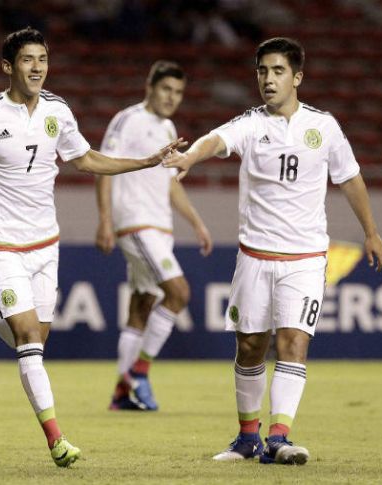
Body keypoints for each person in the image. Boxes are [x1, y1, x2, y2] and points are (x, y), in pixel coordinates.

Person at [0, 27, 185, 468]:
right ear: (8, 67)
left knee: (36, 339)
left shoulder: (58, 111)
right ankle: (57, 438)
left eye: (42, 58)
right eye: (27, 60)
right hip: (2, 244)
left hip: (46, 244)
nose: (37, 67)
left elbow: (87, 159)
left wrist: (148, 161)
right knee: (27, 341)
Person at [163, 37, 382, 465]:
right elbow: (215, 139)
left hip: (304, 259)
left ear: (297, 77)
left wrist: (371, 231)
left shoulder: (323, 127)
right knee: (250, 346)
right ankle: (248, 438)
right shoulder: (252, 124)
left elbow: (351, 178)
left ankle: (280, 437)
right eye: (262, 71)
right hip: (255, 256)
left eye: (278, 71)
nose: (268, 79)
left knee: (292, 342)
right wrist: (191, 156)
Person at [94, 60, 213, 412]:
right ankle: (140, 372)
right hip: (135, 222)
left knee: (142, 306)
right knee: (178, 292)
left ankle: (121, 393)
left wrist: (197, 223)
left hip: (160, 226)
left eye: (178, 92)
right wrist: (104, 220)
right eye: (166, 89)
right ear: (150, 86)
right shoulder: (128, 120)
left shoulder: (168, 129)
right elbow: (103, 168)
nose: (171, 97)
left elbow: (170, 185)